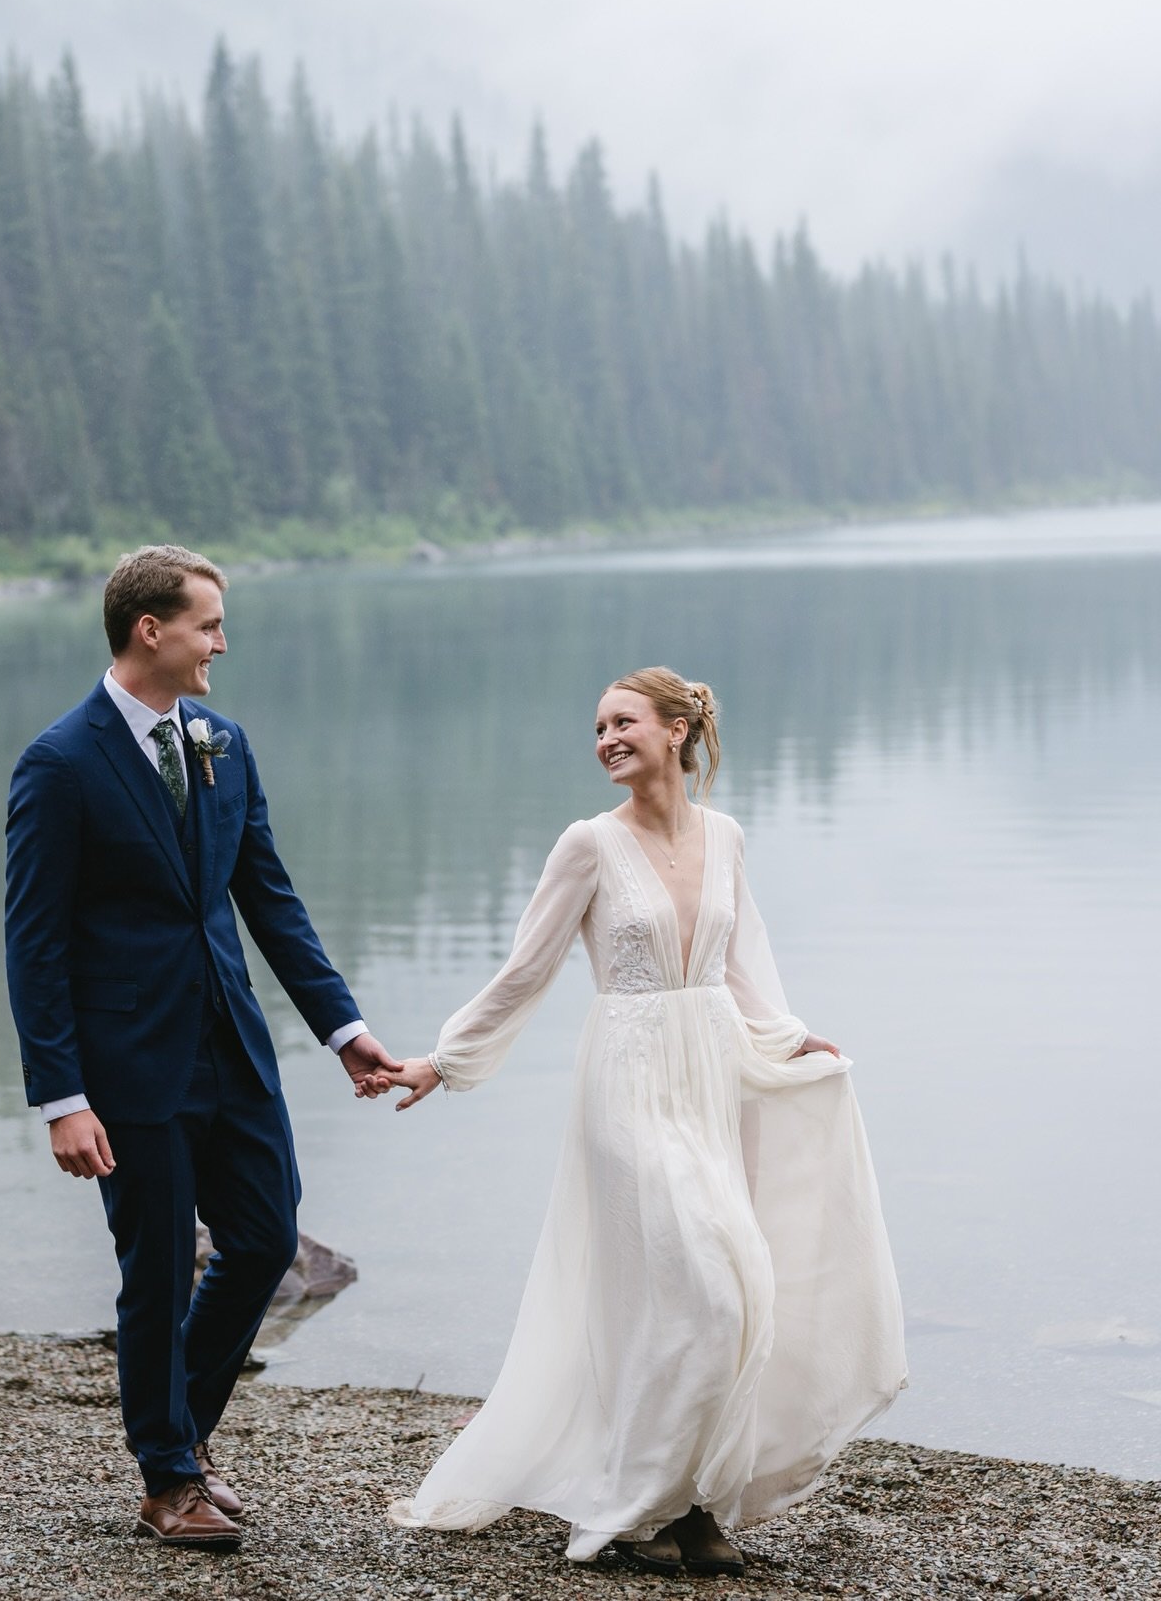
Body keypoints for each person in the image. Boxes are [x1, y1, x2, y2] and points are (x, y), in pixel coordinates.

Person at [383, 667, 906, 1577]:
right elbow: (525, 971)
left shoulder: (727, 837)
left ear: (676, 730)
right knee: (703, 1287)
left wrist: (789, 1043)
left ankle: (694, 1502)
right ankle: (634, 1503)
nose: (605, 739)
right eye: (597, 727)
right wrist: (449, 1058)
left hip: (708, 1069)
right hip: (625, 1078)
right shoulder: (588, 845)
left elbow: (742, 967)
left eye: (622, 722)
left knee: (733, 1292)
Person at [4, 545, 400, 1552]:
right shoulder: (59, 763)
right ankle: (168, 1477)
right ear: (151, 631)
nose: (222, 641)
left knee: (265, 1238)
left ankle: (179, 1436)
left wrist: (343, 1031)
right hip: (127, 1066)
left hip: (232, 1043)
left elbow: (268, 897)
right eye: (208, 623)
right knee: (157, 1268)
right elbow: (34, 940)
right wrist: (61, 1096)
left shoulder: (223, 740)